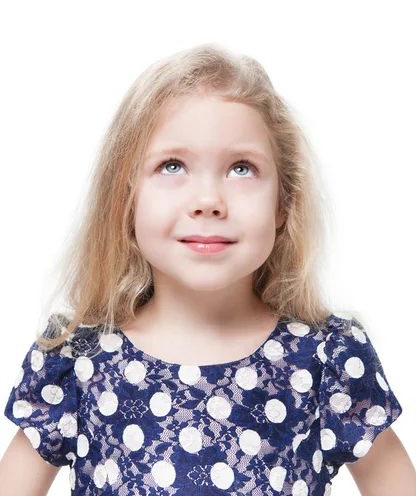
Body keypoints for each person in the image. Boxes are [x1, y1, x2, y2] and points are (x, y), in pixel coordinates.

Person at [0, 43, 414, 496]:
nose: (208, 202)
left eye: (241, 168)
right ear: (126, 199)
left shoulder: (328, 359)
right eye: (172, 165)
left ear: (284, 203)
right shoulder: (76, 357)